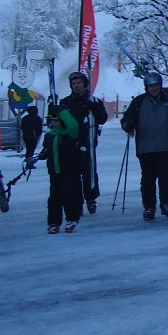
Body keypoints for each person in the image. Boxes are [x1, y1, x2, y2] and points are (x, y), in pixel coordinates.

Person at [120, 71, 168, 221]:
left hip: (165, 144)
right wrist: (129, 125)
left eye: (156, 85)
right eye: (150, 86)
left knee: (166, 176)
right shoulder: (139, 101)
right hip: (145, 146)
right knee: (147, 178)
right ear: (146, 87)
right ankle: (149, 206)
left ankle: (166, 203)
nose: (154, 89)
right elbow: (125, 120)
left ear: (160, 85)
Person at [58, 71, 108, 214]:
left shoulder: (94, 100)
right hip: (70, 143)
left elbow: (103, 118)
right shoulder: (65, 102)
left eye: (79, 83)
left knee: (89, 172)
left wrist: (93, 107)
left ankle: (91, 198)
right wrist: (54, 111)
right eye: (74, 84)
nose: (76, 86)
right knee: (72, 174)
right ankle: (75, 201)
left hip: (88, 142)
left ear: (85, 85)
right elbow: (57, 122)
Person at [36, 104, 83, 233]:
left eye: (56, 119)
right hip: (54, 171)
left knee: (68, 195)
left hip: (69, 170)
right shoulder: (49, 135)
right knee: (54, 197)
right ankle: (53, 222)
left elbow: (73, 124)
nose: (53, 122)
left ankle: (72, 218)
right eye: (51, 120)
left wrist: (61, 111)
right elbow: (46, 150)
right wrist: (41, 155)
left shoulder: (70, 134)